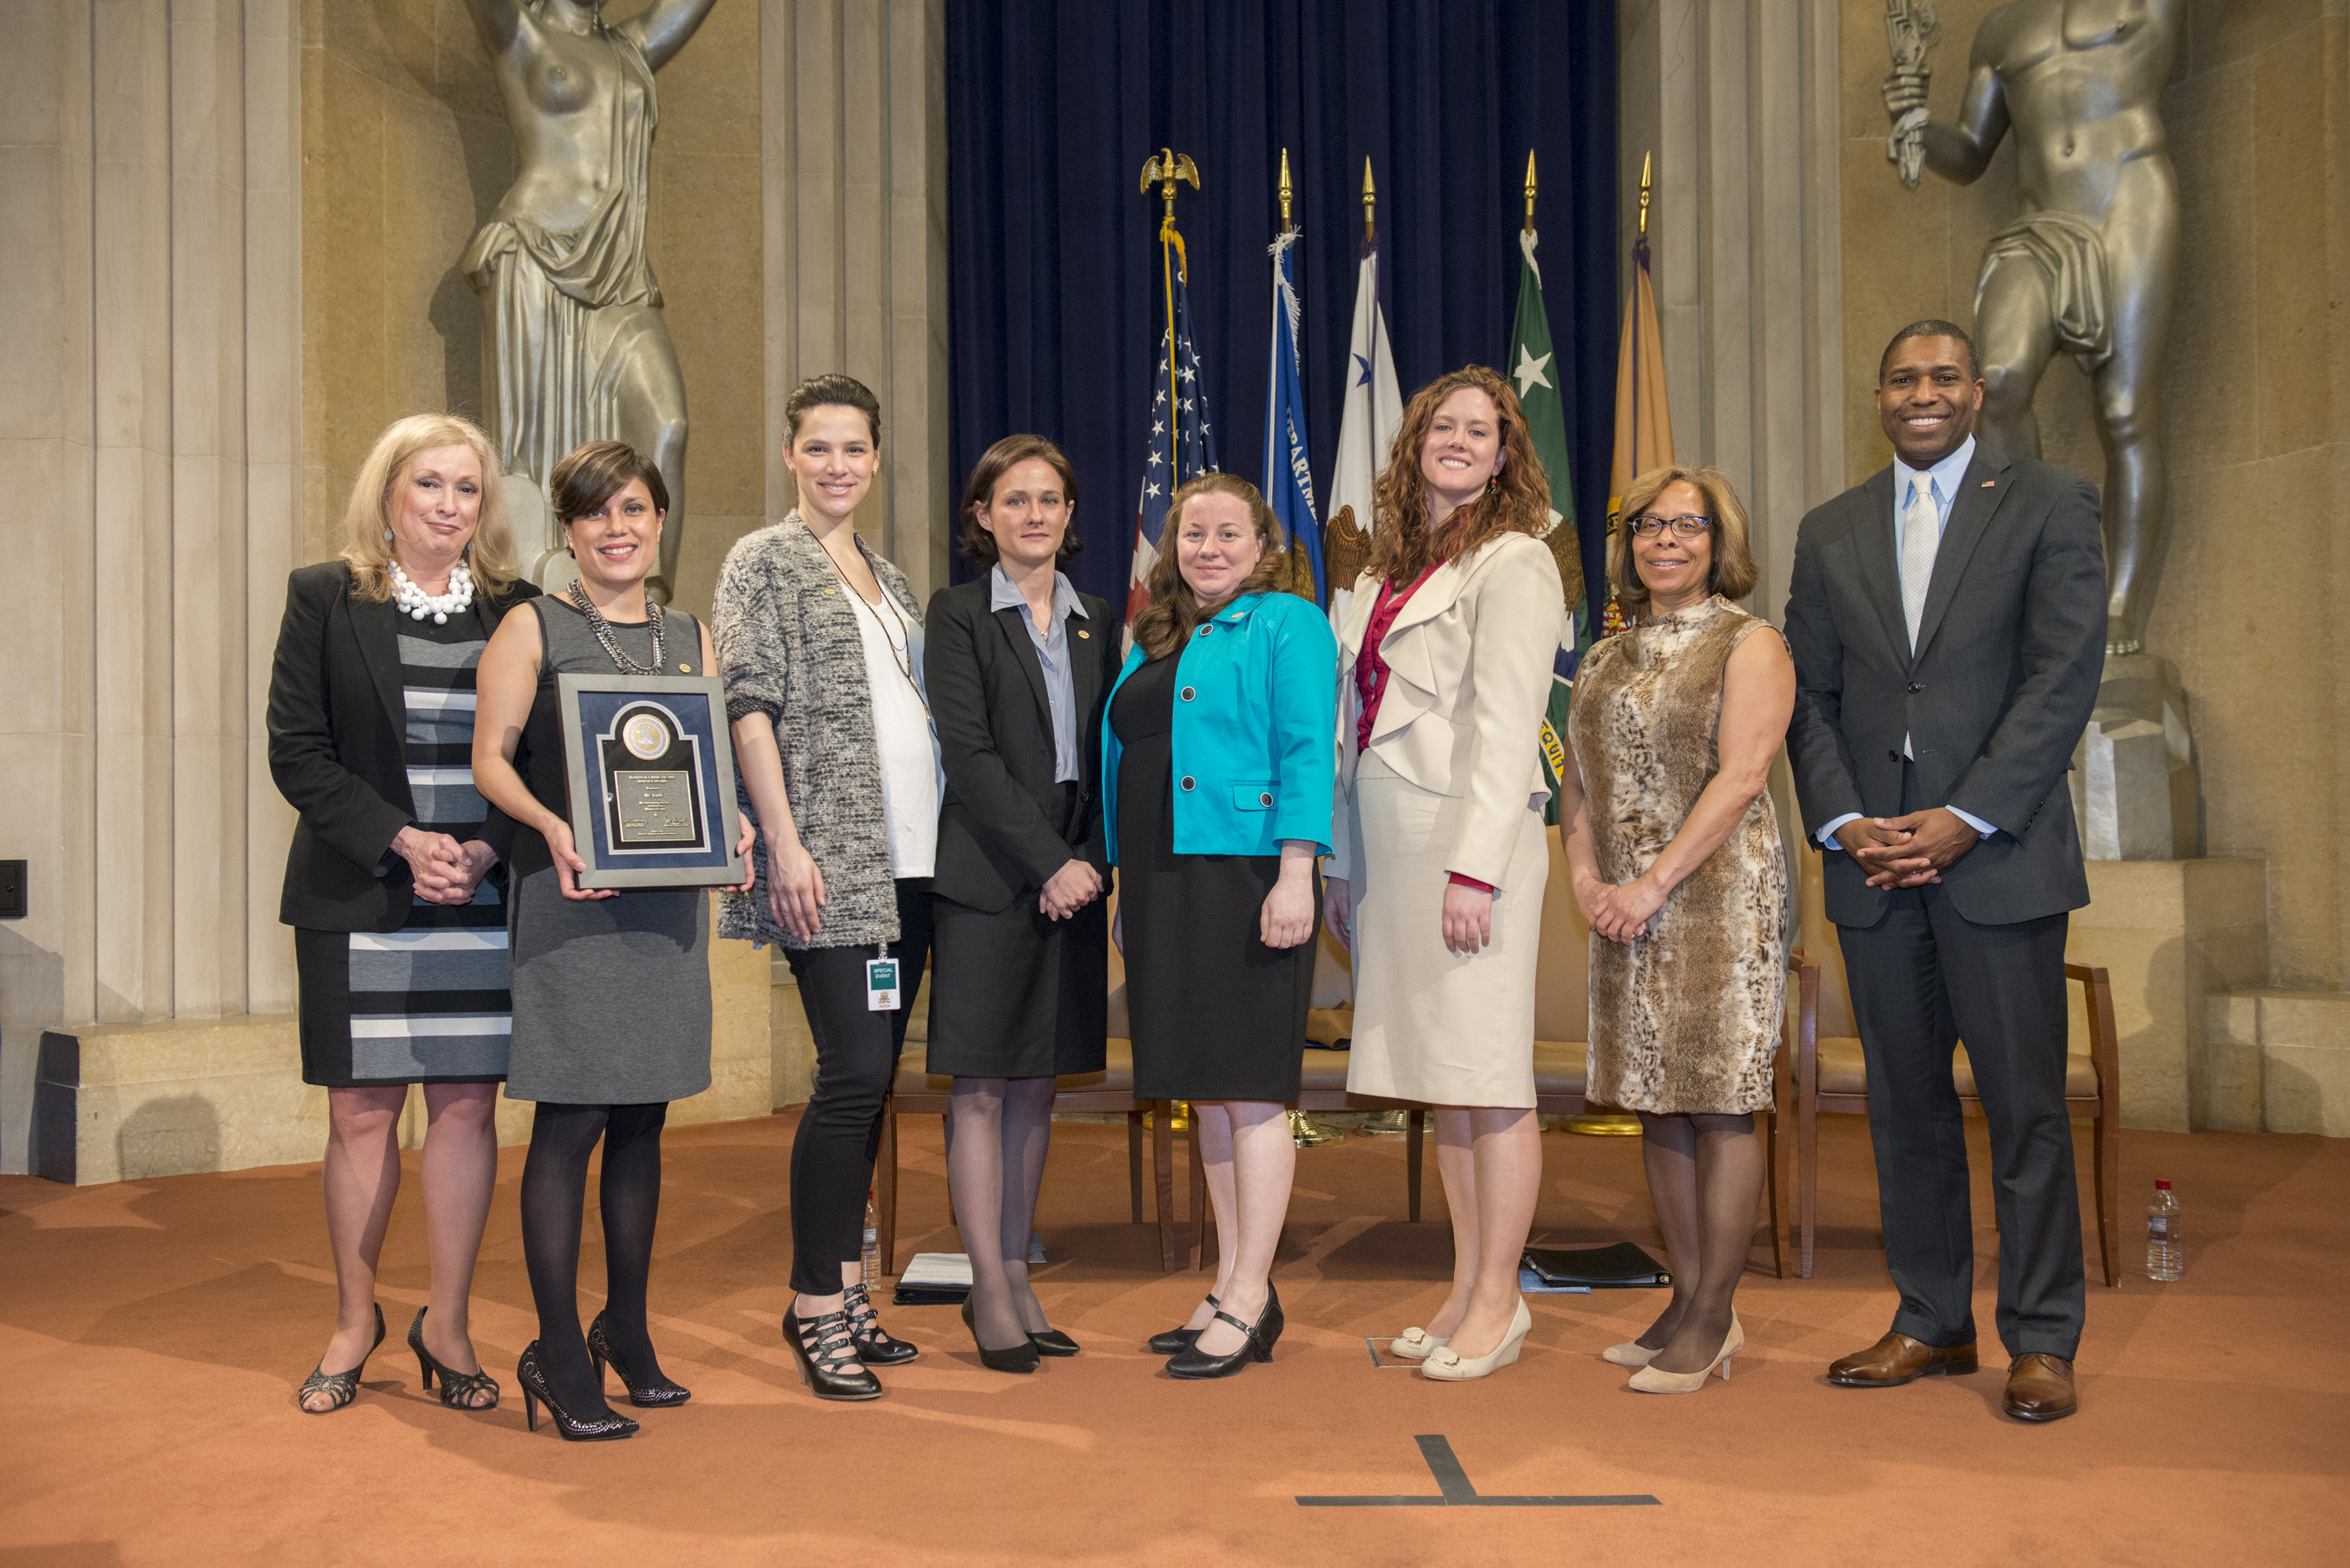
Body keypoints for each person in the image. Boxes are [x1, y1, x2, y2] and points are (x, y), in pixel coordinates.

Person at [1784, 321, 2105, 1422]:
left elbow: (2063, 677)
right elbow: (1810, 700)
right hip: (1874, 870)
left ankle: (2043, 1336)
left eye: (1943, 376)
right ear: (1879, 397)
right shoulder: (1831, 531)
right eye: (1903, 378)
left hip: (1999, 861)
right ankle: (1930, 1315)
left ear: (1978, 391)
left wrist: (1967, 815)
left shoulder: (2052, 503)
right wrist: (1843, 820)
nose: (1923, 393)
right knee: (1904, 1107)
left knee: (2024, 1110)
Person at [473, 440, 754, 1441]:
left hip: (665, 909)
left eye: (633, 508)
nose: (617, 528)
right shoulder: (532, 625)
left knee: (645, 1121)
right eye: (595, 514)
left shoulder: (691, 636)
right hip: (574, 902)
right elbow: (491, 762)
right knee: (573, 1121)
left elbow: (710, 761)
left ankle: (624, 1332)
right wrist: (550, 825)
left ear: (660, 518)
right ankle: (555, 1350)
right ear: (569, 531)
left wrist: (739, 824)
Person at [267, 413, 537, 1415]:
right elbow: (298, 751)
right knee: (361, 1112)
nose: (449, 506)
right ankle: (353, 1317)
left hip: (479, 893)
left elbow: (539, 756)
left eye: (467, 489)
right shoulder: (325, 598)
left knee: (468, 1108)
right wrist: (402, 839)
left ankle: (449, 1322)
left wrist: (485, 847)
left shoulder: (518, 608)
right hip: (362, 890)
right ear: (387, 494)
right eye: (429, 485)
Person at [1326, 365, 1562, 1382]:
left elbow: (1513, 728)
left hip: (1473, 847)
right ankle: (1468, 1286)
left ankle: (1502, 1301)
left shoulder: (1515, 562)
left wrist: (1478, 870)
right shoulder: (1384, 574)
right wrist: (1343, 859)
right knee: (1447, 1084)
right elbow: (1352, 734)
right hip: (1393, 845)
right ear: (1414, 440)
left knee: (1492, 1081)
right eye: (1444, 425)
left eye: (1483, 429)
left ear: (1506, 454)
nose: (1460, 439)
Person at [714, 374, 940, 1402]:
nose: (837, 464)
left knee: (872, 1085)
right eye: (818, 447)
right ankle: (814, 1303)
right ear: (791, 456)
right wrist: (785, 840)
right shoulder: (762, 560)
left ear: (877, 460)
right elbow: (748, 703)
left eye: (854, 448)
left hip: (911, 868)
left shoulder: (887, 575)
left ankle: (851, 1290)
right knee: (849, 1079)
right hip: (831, 863)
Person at [1558, 465, 1794, 1394]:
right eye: (1650, 527)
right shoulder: (1606, 654)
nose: (1666, 541)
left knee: (1720, 1096)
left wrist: (1652, 882)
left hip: (1717, 900)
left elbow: (1741, 779)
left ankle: (1712, 1313)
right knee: (1655, 1096)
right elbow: (1578, 780)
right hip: (1624, 906)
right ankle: (1687, 1297)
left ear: (1718, 542)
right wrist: (1586, 877)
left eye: (1687, 527)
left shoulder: (1751, 642)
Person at [1107, 472, 1337, 1380]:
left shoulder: (1288, 623)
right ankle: (1232, 1285)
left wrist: (1295, 873)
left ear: (1262, 543)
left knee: (1250, 1086)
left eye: (1227, 532)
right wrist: (1128, 886)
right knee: (1205, 1087)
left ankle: (1250, 1290)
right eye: (1191, 531)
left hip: (1246, 872)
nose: (1207, 546)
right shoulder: (1155, 633)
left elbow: (1307, 747)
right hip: (1164, 878)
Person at [923, 436, 1119, 1372]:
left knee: (1040, 1083)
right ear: (983, 516)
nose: (1034, 514)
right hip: (992, 877)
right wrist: (1049, 861)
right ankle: (985, 1285)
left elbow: (1112, 758)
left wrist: (1088, 861)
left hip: (1074, 881)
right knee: (983, 1087)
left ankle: (1017, 1265)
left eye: (1050, 498)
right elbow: (969, 755)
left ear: (1070, 515)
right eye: (1014, 500)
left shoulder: (1101, 621)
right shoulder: (958, 614)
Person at [461, 0, 720, 598]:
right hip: (533, 260)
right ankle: (533, 600)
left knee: (667, 427)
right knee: (527, 463)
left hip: (621, 275)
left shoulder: (632, 47)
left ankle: (647, 603)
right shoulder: (520, 34)